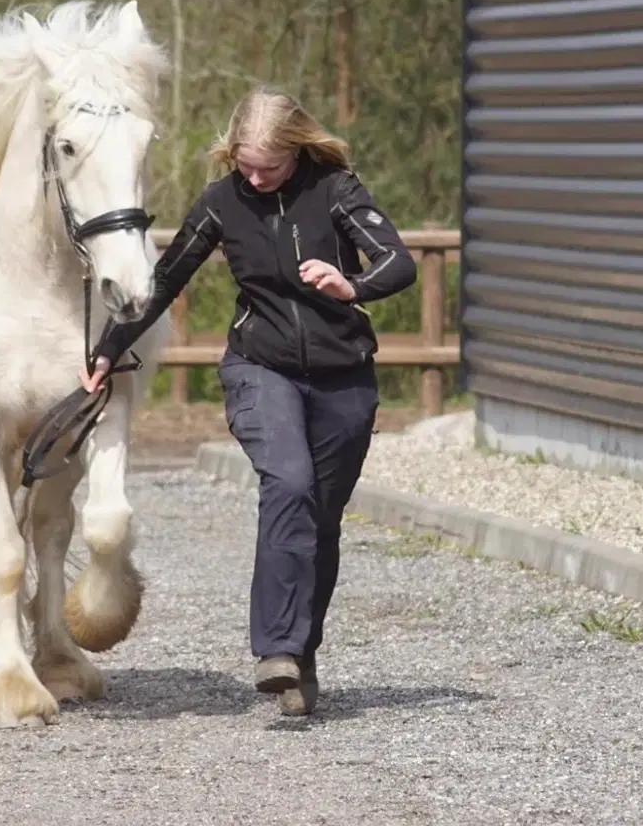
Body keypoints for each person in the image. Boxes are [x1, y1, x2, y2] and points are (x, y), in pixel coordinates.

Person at [80, 85, 417, 716]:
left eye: (270, 166)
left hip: (345, 377)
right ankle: (276, 650)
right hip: (260, 368)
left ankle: (299, 658)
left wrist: (353, 285)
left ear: (297, 151)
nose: (256, 178)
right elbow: (167, 278)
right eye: (245, 164)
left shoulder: (336, 191)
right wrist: (108, 345)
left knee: (318, 518)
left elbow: (399, 263)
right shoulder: (222, 201)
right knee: (288, 483)